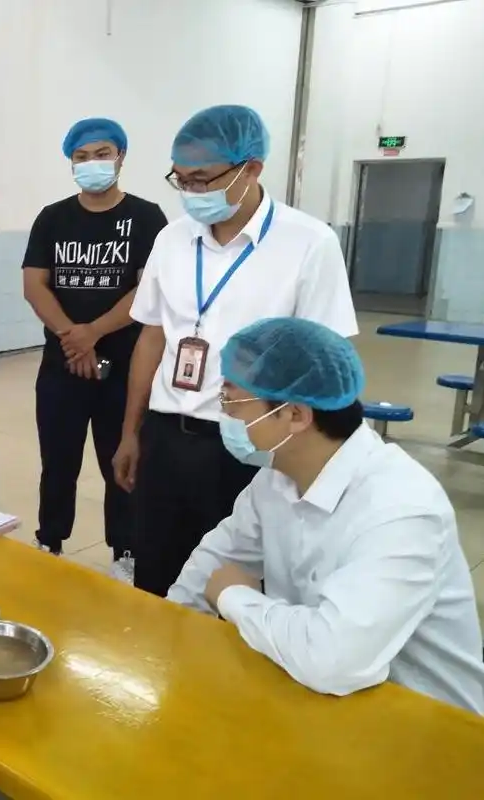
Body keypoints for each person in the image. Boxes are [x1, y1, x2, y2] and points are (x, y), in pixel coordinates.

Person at [168, 317, 484, 713]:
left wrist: (233, 597)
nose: (226, 418)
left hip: (431, 730)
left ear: (297, 415)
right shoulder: (276, 480)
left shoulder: (401, 507)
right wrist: (165, 632)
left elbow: (333, 660)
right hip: (324, 703)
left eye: (233, 403)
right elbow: (214, 562)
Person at [112, 105, 358, 598]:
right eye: (180, 180)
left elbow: (330, 363)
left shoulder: (308, 244)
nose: (190, 194)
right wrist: (130, 432)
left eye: (202, 180)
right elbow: (153, 338)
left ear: (251, 169)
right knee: (157, 576)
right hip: (167, 434)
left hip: (248, 445)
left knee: (235, 585)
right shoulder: (171, 240)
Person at [22, 117, 167, 570]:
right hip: (62, 365)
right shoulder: (53, 218)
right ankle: (50, 541)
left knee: (120, 461)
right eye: (81, 157)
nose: (92, 164)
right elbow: (35, 285)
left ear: (121, 156)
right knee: (58, 463)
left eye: (101, 154)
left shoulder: (146, 217)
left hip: (124, 367)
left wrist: (94, 332)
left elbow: (148, 289)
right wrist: (73, 338)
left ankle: (125, 550)